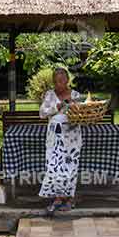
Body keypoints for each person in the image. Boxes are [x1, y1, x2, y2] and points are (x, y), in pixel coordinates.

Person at [38, 67, 82, 213]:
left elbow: (82, 114)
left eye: (62, 80)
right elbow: (42, 113)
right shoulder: (50, 95)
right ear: (54, 82)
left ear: (68, 80)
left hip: (72, 135)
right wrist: (55, 108)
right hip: (54, 135)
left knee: (70, 166)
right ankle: (58, 197)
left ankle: (70, 198)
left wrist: (74, 108)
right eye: (57, 81)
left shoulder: (75, 95)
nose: (60, 84)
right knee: (54, 165)